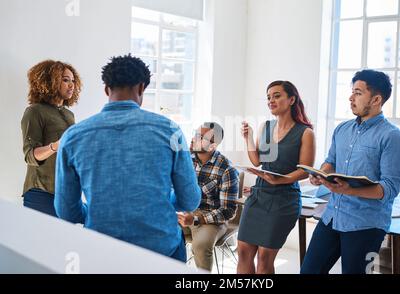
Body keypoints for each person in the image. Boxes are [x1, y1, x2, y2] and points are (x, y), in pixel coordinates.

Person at [54, 54, 201, 262]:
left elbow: (66, 212)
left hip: (102, 252)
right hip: (162, 250)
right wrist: (157, 200)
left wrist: (97, 207)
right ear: (141, 88)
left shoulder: (72, 137)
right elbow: (190, 199)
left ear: (106, 89)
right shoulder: (170, 130)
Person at [300, 69, 400, 274]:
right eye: (352, 91)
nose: (351, 97)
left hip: (366, 226)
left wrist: (348, 190)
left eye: (358, 93)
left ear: (376, 99)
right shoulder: (342, 129)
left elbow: (389, 189)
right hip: (332, 217)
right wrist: (320, 174)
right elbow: (330, 162)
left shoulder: (393, 137)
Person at [238, 80, 316, 274]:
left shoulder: (305, 133)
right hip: (259, 196)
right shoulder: (266, 127)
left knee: (265, 257)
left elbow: (305, 170)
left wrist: (280, 180)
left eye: (277, 96)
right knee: (243, 252)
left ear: (291, 99)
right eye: (269, 97)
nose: (271, 100)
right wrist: (248, 138)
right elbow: (256, 161)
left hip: (284, 199)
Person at [21, 60, 82, 216]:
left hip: (65, 193)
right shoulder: (34, 112)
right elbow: (30, 155)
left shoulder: (69, 114)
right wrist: (55, 146)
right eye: (65, 80)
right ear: (51, 81)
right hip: (40, 193)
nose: (71, 85)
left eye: (73, 81)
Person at [178, 122, 239, 271]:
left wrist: (196, 219)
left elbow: (228, 211)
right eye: (195, 134)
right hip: (185, 213)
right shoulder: (185, 158)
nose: (193, 139)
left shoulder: (226, 169)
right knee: (160, 232)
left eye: (200, 137)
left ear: (213, 145)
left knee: (201, 245)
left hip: (211, 219)